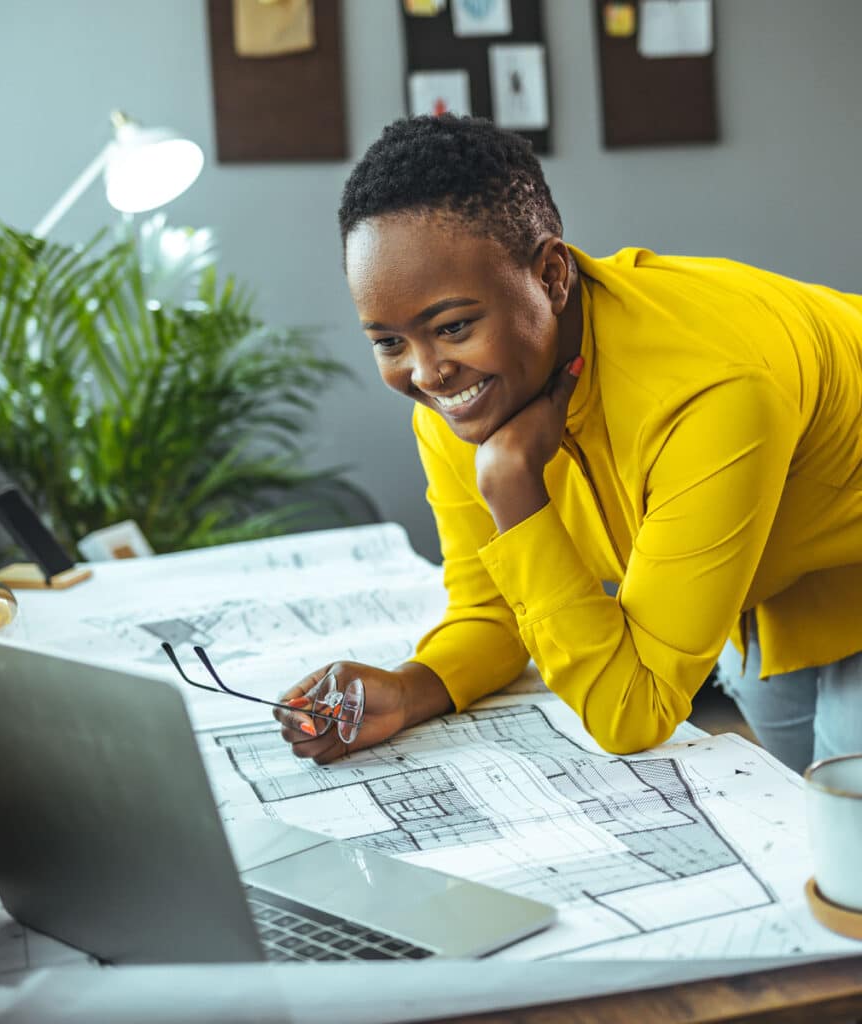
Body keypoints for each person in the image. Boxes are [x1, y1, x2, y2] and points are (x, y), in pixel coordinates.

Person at [274, 114, 862, 774]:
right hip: (779, 578)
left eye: (454, 325)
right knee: (806, 817)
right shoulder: (459, 401)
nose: (427, 372)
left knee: (846, 838)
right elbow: (494, 612)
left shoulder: (707, 389)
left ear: (552, 276)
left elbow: (630, 713)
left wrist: (515, 494)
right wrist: (410, 689)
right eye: (388, 341)